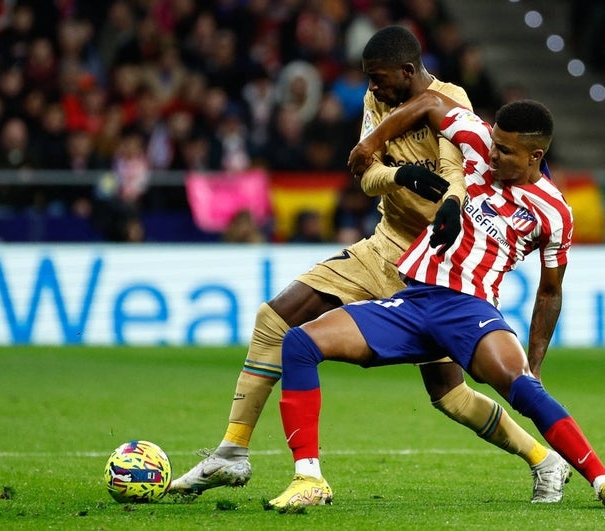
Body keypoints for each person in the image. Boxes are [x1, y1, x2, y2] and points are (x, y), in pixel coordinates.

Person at [170, 25, 570, 504]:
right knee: (273, 319)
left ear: (407, 71)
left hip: (434, 270)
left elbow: (457, 172)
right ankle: (232, 452)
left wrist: (449, 201)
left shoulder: (450, 97)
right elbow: (366, 173)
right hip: (382, 246)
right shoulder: (376, 101)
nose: (373, 87)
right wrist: (401, 174)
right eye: (370, 80)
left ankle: (544, 459)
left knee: (452, 397)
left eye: (380, 79)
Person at [268, 94, 605, 509]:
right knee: (299, 343)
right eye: (494, 143)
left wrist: (535, 363)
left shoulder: (554, 212)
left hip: (470, 309)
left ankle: (603, 481)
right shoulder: (477, 140)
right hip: (413, 301)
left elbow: (550, 291)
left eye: (505, 150)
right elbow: (429, 103)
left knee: (523, 388)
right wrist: (372, 142)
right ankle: (309, 479)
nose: (491, 154)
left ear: (535, 155)